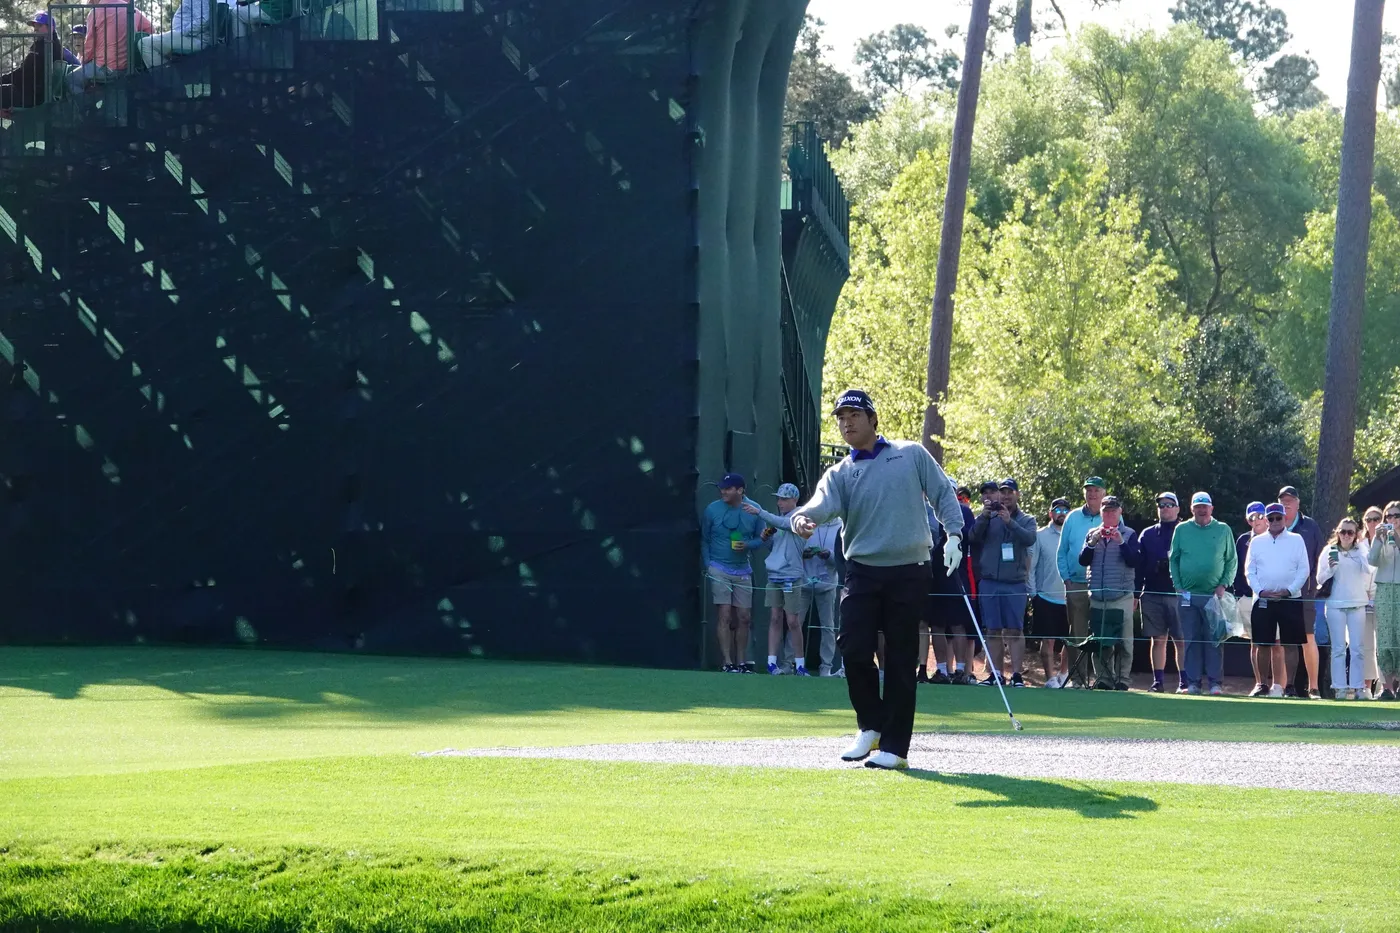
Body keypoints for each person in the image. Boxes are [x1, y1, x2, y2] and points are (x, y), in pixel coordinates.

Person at [789, 389, 964, 771]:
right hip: (863, 570)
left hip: (910, 568)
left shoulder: (910, 453)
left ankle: (896, 749)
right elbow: (818, 506)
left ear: (872, 419)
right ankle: (871, 725)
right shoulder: (840, 472)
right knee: (853, 647)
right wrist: (802, 519)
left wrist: (954, 534)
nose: (846, 423)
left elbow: (942, 495)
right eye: (841, 417)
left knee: (901, 657)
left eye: (853, 415)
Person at [968, 479, 1037, 687]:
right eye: (1003, 492)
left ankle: (1016, 675)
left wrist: (1010, 522)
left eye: (1010, 492)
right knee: (992, 630)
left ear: (1017, 495)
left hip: (1014, 583)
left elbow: (1029, 539)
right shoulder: (989, 517)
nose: (1006, 496)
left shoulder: (1027, 519)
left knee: (1015, 630)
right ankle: (996, 674)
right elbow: (972, 537)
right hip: (990, 582)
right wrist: (984, 516)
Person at [1168, 492, 1236, 696]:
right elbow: (1174, 559)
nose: (1201, 510)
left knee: (1214, 640)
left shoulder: (1223, 529)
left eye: (1205, 506)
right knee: (1191, 641)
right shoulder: (1181, 529)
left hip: (1214, 596)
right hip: (1188, 596)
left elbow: (1231, 560)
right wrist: (1178, 586)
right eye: (1198, 506)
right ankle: (1193, 683)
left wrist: (1224, 584)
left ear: (1211, 508)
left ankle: (1215, 683)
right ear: (1192, 509)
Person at [699, 473, 764, 673]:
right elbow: (705, 539)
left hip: (743, 570)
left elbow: (763, 538)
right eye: (722, 488)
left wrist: (748, 544)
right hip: (718, 568)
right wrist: (709, 564)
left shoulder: (754, 510)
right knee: (725, 614)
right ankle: (727, 662)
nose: (723, 491)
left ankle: (741, 662)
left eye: (728, 488)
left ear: (740, 490)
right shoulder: (712, 509)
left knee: (744, 617)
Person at [1246, 502, 1311, 698]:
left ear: (1284, 519)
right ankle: (1261, 684)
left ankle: (1289, 686)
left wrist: (1289, 590)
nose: (1275, 521)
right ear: (1266, 520)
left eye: (1278, 518)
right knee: (1262, 643)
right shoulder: (1257, 542)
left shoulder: (1296, 540)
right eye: (1271, 518)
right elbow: (1250, 570)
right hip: (1263, 599)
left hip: (1290, 598)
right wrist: (1260, 591)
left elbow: (1304, 569)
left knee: (1290, 643)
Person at [746, 484, 811, 676]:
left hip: (792, 576)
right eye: (779, 498)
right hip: (774, 576)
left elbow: (785, 524)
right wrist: (766, 538)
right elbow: (775, 546)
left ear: (794, 500)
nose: (780, 502)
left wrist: (759, 512)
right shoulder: (780, 520)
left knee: (793, 621)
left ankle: (800, 665)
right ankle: (772, 663)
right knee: (775, 618)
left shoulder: (801, 517)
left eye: (784, 499)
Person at [1078, 495, 1139, 690]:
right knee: (1100, 642)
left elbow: (1134, 561)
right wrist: (1092, 543)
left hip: (1121, 596)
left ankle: (1122, 679)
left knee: (1125, 642)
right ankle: (1104, 678)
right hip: (1097, 596)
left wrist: (1121, 542)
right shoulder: (1092, 533)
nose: (1110, 514)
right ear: (1101, 513)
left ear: (1120, 512)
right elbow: (1083, 560)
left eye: (1113, 511)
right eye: (1106, 511)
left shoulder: (1129, 534)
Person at [1136, 492, 1188, 693]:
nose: (1165, 508)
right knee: (1157, 640)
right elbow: (1139, 567)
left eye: (1169, 505)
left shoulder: (1185, 531)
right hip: (1152, 593)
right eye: (1161, 505)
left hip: (1179, 594)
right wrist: (1136, 593)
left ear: (1177, 509)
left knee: (1181, 640)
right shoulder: (1147, 534)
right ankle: (1158, 682)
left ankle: (1184, 682)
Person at [1057, 476, 1106, 688]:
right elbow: (1062, 551)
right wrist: (1066, 579)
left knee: (1100, 632)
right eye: (1088, 490)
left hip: (1101, 584)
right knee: (1077, 633)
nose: (1092, 493)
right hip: (1076, 584)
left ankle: (1102, 679)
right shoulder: (1073, 517)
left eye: (1096, 490)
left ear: (1103, 493)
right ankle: (1078, 679)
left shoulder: (1111, 515)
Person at [1317, 518, 1372, 700]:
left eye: (1350, 532)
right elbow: (1319, 579)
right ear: (1338, 532)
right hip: (1335, 604)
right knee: (1338, 648)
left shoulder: (1361, 550)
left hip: (1357, 604)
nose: (1346, 535)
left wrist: (1361, 553)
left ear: (1356, 534)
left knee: (1357, 648)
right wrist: (1330, 570)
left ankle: (1358, 687)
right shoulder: (1329, 550)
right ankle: (1339, 688)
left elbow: (1369, 570)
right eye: (1343, 532)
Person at [1279, 485, 1324, 699]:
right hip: (1279, 593)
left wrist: (1311, 586)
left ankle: (1313, 688)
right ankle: (1283, 688)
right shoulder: (1274, 523)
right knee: (1282, 641)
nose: (1286, 504)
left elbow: (1319, 558)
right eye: (1282, 500)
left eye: (1290, 500)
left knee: (1308, 638)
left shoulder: (1310, 526)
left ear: (1298, 503)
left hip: (1305, 593)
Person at [68, 0, 155, 95]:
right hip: (129, 67)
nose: (91, 3)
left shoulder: (96, 12)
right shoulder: (134, 11)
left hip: (105, 67)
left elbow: (90, 45)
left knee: (71, 79)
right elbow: (150, 30)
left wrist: (83, 62)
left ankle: (86, 104)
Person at [1028, 498, 1070, 688]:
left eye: (1065, 510)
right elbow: (1031, 567)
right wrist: (1033, 593)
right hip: (1045, 596)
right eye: (1058, 510)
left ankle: (1063, 674)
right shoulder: (1040, 535)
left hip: (1069, 597)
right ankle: (1050, 679)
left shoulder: (1073, 534)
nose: (1062, 513)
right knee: (1048, 640)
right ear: (1050, 513)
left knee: (1070, 641)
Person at [0, 12, 80, 111]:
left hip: (32, 97)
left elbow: (23, 73)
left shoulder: (46, 48)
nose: (35, 29)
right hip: (33, 93)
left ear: (50, 28)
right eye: (35, 26)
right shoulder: (47, 45)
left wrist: (2, 79)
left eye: (39, 25)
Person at [1233, 502, 1270, 696]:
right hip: (1248, 597)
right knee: (1255, 642)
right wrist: (1239, 592)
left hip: (1272, 597)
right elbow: (1237, 568)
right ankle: (1259, 683)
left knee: (1275, 643)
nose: (1256, 520)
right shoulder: (1243, 540)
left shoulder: (1274, 538)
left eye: (1260, 516)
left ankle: (1278, 686)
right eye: (1252, 517)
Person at [801, 512, 843, 677]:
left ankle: (826, 667)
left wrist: (829, 555)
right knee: (795, 623)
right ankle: (791, 663)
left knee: (828, 626)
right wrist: (804, 553)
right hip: (803, 582)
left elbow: (842, 559)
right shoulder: (806, 523)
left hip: (828, 584)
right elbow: (794, 550)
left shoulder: (841, 526)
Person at [1367, 502, 1400, 700]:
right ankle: (1387, 687)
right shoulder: (1381, 536)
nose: (1392, 519)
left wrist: (1396, 537)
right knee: (1385, 637)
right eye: (1389, 516)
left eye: (1396, 516)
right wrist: (1378, 540)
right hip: (1385, 588)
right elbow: (1372, 561)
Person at [1361, 505, 1384, 695]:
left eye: (1376, 519)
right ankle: (1366, 687)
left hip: (1382, 598)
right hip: (1361, 600)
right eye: (1369, 519)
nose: (1373, 523)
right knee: (1365, 645)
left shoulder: (1390, 541)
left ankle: (1385, 686)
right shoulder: (1358, 544)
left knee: (1383, 644)